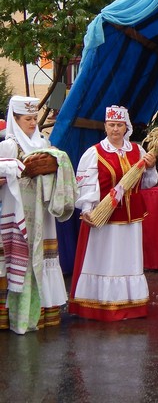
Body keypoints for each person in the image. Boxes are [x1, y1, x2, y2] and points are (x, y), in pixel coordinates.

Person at [69, 105, 158, 321]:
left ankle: (130, 302)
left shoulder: (138, 151)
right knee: (106, 258)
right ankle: (102, 302)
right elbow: (87, 185)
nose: (115, 129)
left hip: (131, 216)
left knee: (128, 258)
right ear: (105, 126)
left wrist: (151, 167)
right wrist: (88, 209)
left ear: (126, 127)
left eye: (119, 125)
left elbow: (149, 183)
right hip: (106, 216)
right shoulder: (94, 153)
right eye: (111, 125)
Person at [0, 95, 76, 334]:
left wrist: (56, 161)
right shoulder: (9, 144)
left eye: (34, 118)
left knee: (43, 256)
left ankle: (43, 310)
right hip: (17, 209)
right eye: (27, 119)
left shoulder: (44, 142)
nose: (33, 123)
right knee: (19, 259)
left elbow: (58, 166)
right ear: (15, 119)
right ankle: (15, 313)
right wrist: (16, 167)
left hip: (42, 211)